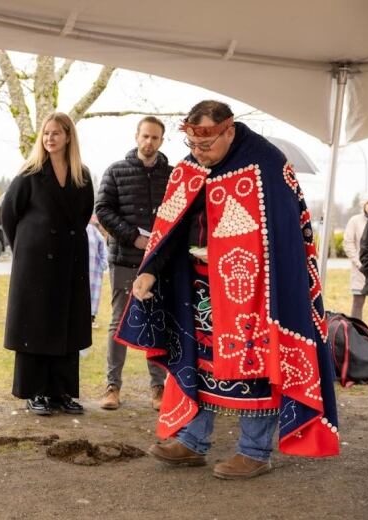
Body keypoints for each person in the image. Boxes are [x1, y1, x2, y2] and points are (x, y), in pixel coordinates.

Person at [116, 100, 339, 480]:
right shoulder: (189, 166)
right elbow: (172, 223)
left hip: (254, 290)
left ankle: (254, 451)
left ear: (229, 129)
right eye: (193, 146)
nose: (198, 154)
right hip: (199, 283)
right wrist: (150, 270)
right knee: (199, 360)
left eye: (206, 146)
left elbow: (284, 233)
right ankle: (193, 441)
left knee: (253, 364)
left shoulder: (265, 164)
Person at [1, 112, 94, 416]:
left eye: (56, 133)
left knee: (67, 324)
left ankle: (62, 392)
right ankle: (36, 392)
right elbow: (9, 215)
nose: (50, 138)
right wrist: (27, 248)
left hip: (70, 259)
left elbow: (82, 216)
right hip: (36, 262)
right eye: (46, 134)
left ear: (68, 136)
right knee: (37, 325)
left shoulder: (82, 174)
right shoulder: (30, 173)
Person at [95, 116, 171, 411]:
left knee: (156, 320)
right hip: (125, 258)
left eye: (155, 138)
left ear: (161, 141)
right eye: (145, 136)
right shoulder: (116, 171)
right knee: (119, 320)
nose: (149, 142)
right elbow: (103, 210)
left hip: (159, 261)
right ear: (136, 136)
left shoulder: (173, 175)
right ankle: (112, 386)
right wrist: (133, 238)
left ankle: (158, 388)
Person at [344, 192, 368, 322]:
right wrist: (360, 264)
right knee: (357, 304)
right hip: (360, 270)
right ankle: (356, 334)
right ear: (363, 204)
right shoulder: (355, 220)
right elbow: (348, 243)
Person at [86, 216, 107, 330]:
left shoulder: (93, 231)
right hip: (79, 270)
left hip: (94, 269)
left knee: (92, 294)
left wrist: (103, 263)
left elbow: (102, 246)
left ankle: (91, 318)